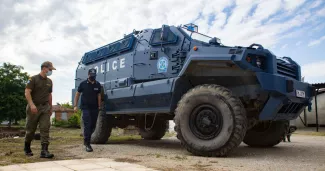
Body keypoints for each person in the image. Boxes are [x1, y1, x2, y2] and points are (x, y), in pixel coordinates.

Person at [24, 61, 56, 158]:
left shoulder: (50, 82)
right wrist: (31, 104)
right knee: (31, 129)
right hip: (34, 107)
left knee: (45, 128)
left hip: (45, 107)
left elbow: (49, 95)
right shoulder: (33, 79)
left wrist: (50, 107)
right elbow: (27, 92)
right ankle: (27, 147)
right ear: (44, 68)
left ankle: (44, 151)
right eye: (50, 69)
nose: (51, 71)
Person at [73, 68, 101, 152]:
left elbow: (99, 95)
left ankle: (87, 140)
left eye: (94, 75)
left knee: (93, 126)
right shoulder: (83, 84)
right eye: (91, 75)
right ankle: (87, 143)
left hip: (95, 108)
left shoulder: (97, 84)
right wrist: (75, 105)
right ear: (88, 75)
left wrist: (99, 106)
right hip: (85, 108)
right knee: (87, 125)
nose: (93, 76)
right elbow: (77, 95)